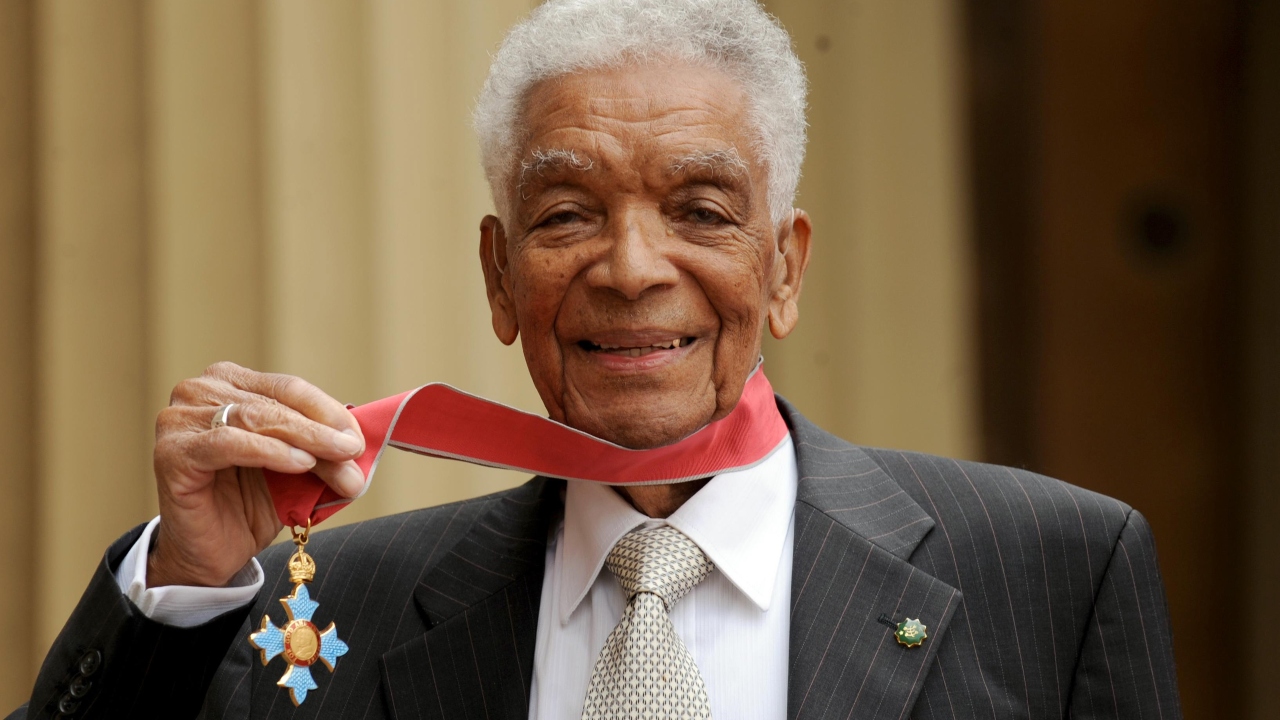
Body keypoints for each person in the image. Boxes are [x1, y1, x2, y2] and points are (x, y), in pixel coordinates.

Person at [12, 1, 1181, 718]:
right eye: (566, 213)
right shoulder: (332, 614)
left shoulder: (1050, 577)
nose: (629, 269)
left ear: (783, 269)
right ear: (497, 278)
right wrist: (187, 583)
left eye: (701, 211)